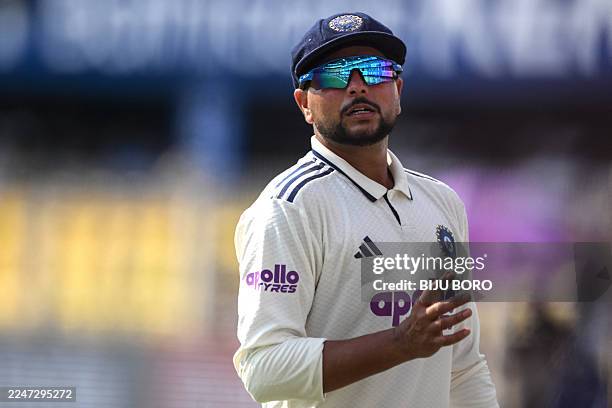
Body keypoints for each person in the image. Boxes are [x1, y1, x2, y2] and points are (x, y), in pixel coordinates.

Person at [233, 12, 499, 407]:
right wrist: (399, 343)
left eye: (374, 71)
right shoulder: (287, 208)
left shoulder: (442, 203)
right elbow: (264, 368)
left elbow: (462, 366)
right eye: (333, 75)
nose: (357, 86)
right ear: (304, 103)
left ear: (398, 89)